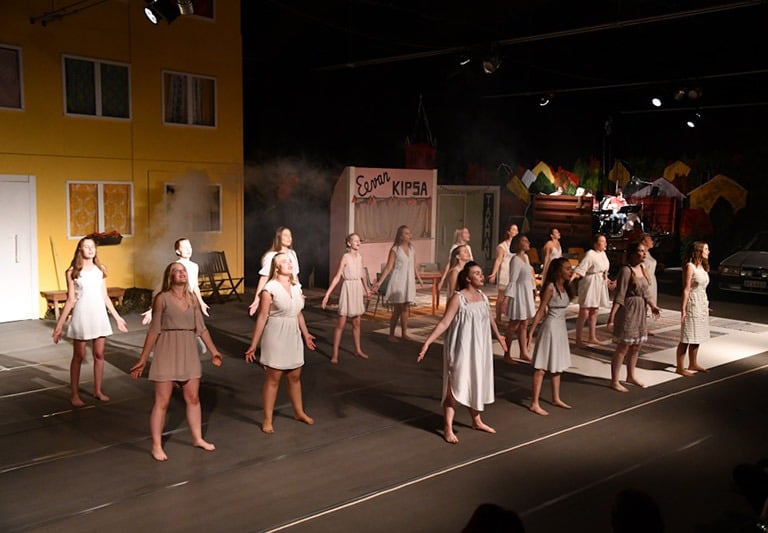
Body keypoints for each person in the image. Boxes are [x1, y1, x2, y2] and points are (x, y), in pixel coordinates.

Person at [130, 262, 223, 461]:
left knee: (193, 398)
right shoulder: (162, 299)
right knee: (162, 401)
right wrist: (143, 359)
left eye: (183, 271)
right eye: (177, 271)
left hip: (188, 350)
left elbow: (202, 328)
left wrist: (214, 351)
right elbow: (154, 330)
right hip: (167, 349)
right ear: (169, 276)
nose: (182, 273)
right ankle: (156, 445)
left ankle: (197, 438)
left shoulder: (192, 299)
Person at [418, 262, 507, 444]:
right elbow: (444, 322)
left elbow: (489, 318)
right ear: (467, 278)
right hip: (461, 348)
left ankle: (476, 420)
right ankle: (448, 428)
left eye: (481, 273)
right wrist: (427, 342)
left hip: (479, 348)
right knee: (455, 385)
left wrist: (499, 336)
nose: (481, 276)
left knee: (475, 381)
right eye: (476, 273)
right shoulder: (458, 298)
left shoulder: (482, 297)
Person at [52, 237, 128, 407]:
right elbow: (70, 300)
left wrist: (117, 318)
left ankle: (98, 390)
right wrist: (59, 326)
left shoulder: (100, 269)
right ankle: (74, 394)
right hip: (82, 315)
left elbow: (105, 296)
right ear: (80, 250)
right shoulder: (72, 272)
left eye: (92, 246)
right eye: (86, 247)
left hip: (98, 315)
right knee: (79, 356)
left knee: (99, 354)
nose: (90, 249)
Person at [245, 252, 316, 433]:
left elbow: (298, 313)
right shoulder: (270, 288)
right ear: (277, 267)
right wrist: (253, 344)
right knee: (273, 379)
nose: (289, 263)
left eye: (290, 261)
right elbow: (262, 317)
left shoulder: (296, 287)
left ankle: (299, 412)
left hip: (293, 334)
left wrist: (306, 334)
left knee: (295, 376)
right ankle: (267, 419)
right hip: (276, 334)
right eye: (285, 261)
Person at [606, 241, 661, 392]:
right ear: (632, 254)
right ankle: (614, 380)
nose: (644, 254)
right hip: (628, 311)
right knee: (623, 347)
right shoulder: (626, 270)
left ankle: (630, 375)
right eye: (640, 251)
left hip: (640, 311)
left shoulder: (643, 268)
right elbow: (620, 295)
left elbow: (646, 293)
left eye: (644, 251)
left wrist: (653, 306)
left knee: (636, 346)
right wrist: (612, 316)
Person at [526, 257, 576, 415]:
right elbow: (541, 310)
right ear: (558, 271)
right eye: (567, 268)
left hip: (560, 328)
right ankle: (534, 403)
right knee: (541, 367)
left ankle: (556, 398)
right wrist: (531, 332)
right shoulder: (550, 287)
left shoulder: (566, 287)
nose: (570, 271)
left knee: (557, 365)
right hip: (550, 327)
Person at [321, 233, 371, 363]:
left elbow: (362, 274)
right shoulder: (345, 257)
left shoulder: (359, 257)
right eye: (355, 240)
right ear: (349, 243)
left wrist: (366, 289)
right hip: (348, 288)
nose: (358, 242)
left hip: (357, 288)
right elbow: (338, 276)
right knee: (341, 324)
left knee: (357, 323)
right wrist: (327, 294)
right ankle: (335, 354)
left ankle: (358, 349)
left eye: (359, 240)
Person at [371, 225, 424, 342]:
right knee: (398, 309)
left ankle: (404, 333)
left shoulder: (412, 249)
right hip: (399, 281)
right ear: (400, 236)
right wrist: (379, 282)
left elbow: (414, 266)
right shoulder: (395, 249)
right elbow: (388, 267)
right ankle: (391, 334)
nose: (409, 235)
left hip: (408, 282)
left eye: (409, 233)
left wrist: (419, 278)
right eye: (406, 233)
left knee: (405, 308)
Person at [141, 237, 210, 325]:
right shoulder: (174, 267)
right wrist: (153, 309)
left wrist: (201, 303)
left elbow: (195, 286)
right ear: (178, 251)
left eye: (189, 247)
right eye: (184, 247)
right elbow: (166, 288)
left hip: (189, 302)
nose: (188, 249)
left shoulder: (195, 266)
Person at [570, 233, 616, 347]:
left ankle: (592, 337)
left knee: (595, 310)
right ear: (595, 243)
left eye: (605, 241)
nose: (605, 243)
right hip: (590, 283)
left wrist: (607, 280)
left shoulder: (603, 254)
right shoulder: (590, 254)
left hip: (599, 283)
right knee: (585, 311)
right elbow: (580, 269)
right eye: (602, 241)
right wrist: (569, 281)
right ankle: (578, 339)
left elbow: (603, 270)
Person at [675, 241, 711, 376]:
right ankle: (680, 367)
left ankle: (693, 363)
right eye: (706, 249)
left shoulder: (703, 267)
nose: (708, 252)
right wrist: (683, 309)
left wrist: (705, 305)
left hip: (701, 303)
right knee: (687, 336)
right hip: (692, 303)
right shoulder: (690, 267)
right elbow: (686, 289)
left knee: (698, 335)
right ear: (699, 251)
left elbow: (702, 288)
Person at [249, 226, 300, 316]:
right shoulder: (271, 255)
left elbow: (295, 275)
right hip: (278, 291)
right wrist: (257, 299)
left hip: (291, 291)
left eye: (290, 235)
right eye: (285, 235)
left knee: (294, 316)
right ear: (279, 237)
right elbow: (264, 278)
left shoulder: (292, 253)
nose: (289, 238)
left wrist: (298, 291)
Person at [504, 234, 536, 363]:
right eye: (524, 241)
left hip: (526, 292)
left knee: (524, 324)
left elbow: (529, 276)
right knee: (514, 324)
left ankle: (523, 352)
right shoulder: (515, 260)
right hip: (519, 294)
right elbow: (512, 280)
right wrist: (506, 298)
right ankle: (507, 353)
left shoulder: (526, 257)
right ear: (518, 243)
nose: (528, 242)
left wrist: (533, 289)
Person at [489, 223, 519, 323]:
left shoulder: (518, 246)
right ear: (509, 232)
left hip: (514, 271)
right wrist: (494, 273)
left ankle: (511, 317)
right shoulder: (502, 246)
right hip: (505, 271)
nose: (515, 232)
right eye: (513, 229)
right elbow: (498, 260)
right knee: (501, 296)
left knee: (513, 296)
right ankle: (498, 317)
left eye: (516, 230)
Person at [438, 226, 473, 294]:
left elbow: (471, 261)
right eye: (466, 233)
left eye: (468, 233)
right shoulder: (455, 248)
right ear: (460, 235)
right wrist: (442, 280)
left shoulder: (468, 247)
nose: (468, 234)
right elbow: (449, 263)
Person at [640, 233, 658, 316]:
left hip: (652, 279)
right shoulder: (641, 253)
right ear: (644, 241)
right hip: (644, 279)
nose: (652, 241)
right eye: (649, 240)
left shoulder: (648, 253)